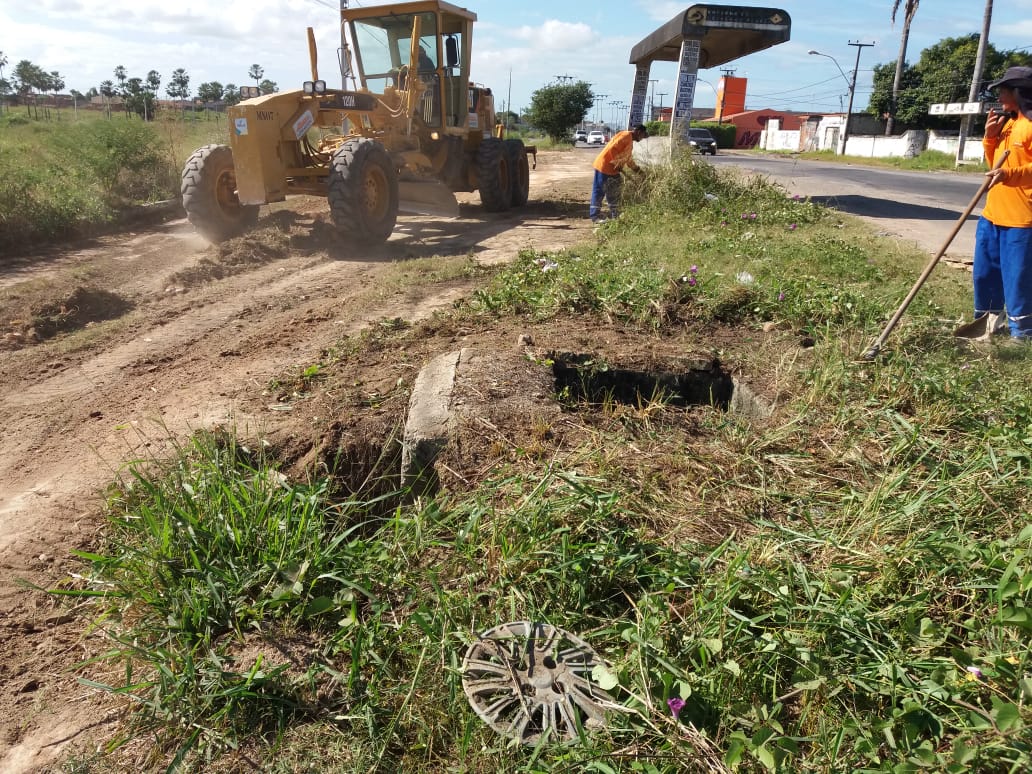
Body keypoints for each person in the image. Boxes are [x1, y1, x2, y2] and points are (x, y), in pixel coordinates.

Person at [974, 65, 1032, 339]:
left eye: (1004, 91)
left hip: (1021, 221)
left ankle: (1022, 335)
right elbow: (993, 167)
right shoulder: (1007, 123)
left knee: (1017, 282)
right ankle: (987, 326)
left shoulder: (1030, 126)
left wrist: (1010, 174)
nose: (999, 97)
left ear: (1019, 93)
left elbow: (1009, 172)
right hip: (992, 215)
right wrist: (990, 138)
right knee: (985, 276)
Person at [589, 124, 648, 223]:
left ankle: (616, 214)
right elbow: (612, 149)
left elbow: (628, 159)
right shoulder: (625, 136)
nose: (642, 138)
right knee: (599, 190)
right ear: (638, 132)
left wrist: (638, 171)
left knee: (616, 190)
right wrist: (616, 163)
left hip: (613, 169)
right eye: (643, 135)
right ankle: (595, 216)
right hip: (604, 166)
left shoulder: (629, 140)